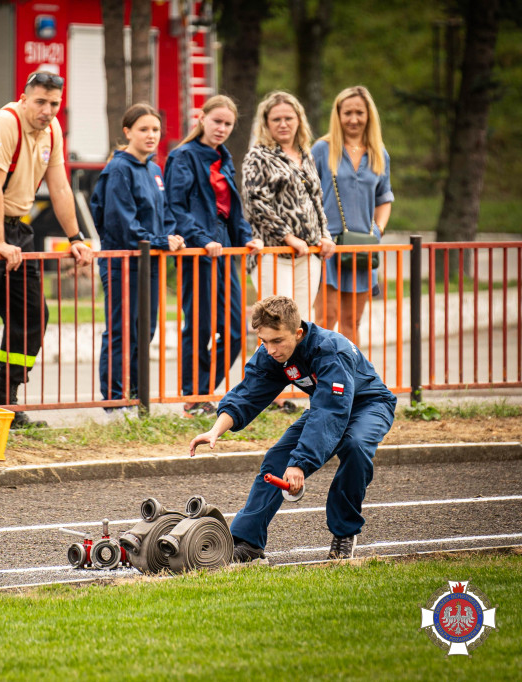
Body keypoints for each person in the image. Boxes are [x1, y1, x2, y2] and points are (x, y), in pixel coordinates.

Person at [189, 295, 397, 561]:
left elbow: (331, 411)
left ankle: (345, 532)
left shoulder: (330, 349)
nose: (271, 349)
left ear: (298, 333)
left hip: (368, 405)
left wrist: (300, 463)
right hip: (325, 406)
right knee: (277, 459)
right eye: (264, 341)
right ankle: (248, 542)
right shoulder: (272, 354)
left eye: (277, 341)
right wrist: (216, 429)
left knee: (354, 446)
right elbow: (248, 393)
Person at [0, 70, 93, 427]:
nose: (47, 110)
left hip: (16, 226)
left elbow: (60, 188)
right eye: (41, 102)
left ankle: (6, 403)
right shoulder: (4, 122)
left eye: (54, 104)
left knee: (32, 315)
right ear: (24, 98)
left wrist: (76, 238)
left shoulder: (53, 130)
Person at [163, 95, 262, 415]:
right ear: (201, 118)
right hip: (197, 248)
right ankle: (194, 396)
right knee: (200, 325)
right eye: (216, 121)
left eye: (228, 124)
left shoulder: (224, 156)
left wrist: (247, 238)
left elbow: (233, 209)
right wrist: (202, 239)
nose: (221, 128)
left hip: (223, 247)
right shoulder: (183, 156)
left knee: (235, 329)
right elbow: (176, 207)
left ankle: (203, 391)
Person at [90, 103, 183, 406]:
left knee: (145, 331)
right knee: (122, 332)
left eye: (155, 129)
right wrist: (158, 241)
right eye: (144, 129)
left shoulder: (154, 169)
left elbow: (165, 213)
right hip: (123, 264)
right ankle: (116, 401)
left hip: (150, 264)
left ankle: (137, 399)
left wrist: (170, 237)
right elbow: (122, 223)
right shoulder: (119, 169)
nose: (151, 135)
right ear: (127, 132)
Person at [312, 86, 393, 344]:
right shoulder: (322, 149)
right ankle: (320, 381)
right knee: (326, 319)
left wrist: (377, 230)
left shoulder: (380, 153)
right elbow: (307, 194)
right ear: (338, 115)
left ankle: (349, 381)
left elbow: (384, 198)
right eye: (347, 112)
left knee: (352, 321)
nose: (354, 119)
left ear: (369, 115)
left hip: (362, 248)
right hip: (327, 246)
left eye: (360, 112)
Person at [243, 91, 336, 317]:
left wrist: (325, 235)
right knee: (277, 321)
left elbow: (316, 198)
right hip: (273, 253)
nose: (283, 124)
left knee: (301, 324)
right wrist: (288, 237)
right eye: (276, 119)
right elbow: (255, 203)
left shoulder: (306, 154)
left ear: (299, 120)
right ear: (266, 123)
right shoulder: (258, 156)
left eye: (289, 118)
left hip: (309, 253)